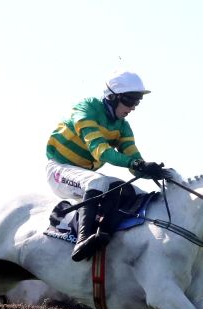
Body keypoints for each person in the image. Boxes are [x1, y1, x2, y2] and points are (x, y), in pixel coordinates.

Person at [46, 70, 166, 261]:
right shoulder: (86, 109)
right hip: (59, 170)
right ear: (111, 97)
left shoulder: (122, 126)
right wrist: (137, 163)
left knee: (133, 192)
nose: (133, 107)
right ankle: (82, 241)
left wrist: (156, 171)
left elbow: (135, 161)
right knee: (98, 182)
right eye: (129, 101)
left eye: (137, 102)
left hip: (83, 175)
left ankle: (105, 233)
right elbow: (100, 151)